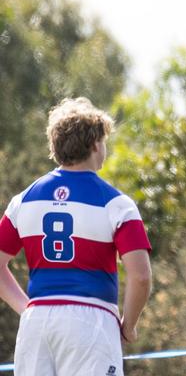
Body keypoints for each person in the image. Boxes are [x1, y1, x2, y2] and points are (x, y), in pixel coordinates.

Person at [0, 97, 153, 375]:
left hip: (37, 323)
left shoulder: (23, 200)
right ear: (95, 144)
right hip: (91, 322)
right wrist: (128, 326)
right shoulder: (117, 203)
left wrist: (28, 308)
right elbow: (141, 277)